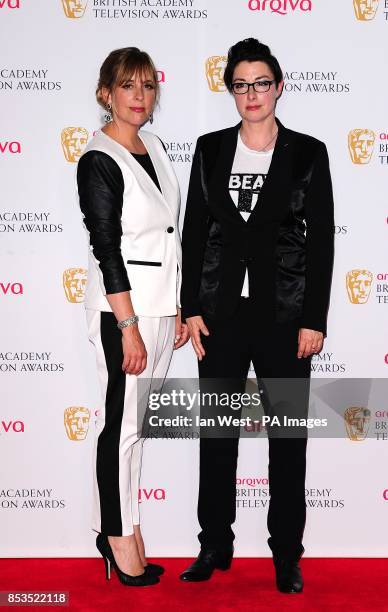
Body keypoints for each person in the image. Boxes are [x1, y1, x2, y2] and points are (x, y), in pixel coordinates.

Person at [179, 38, 334, 593]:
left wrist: (314, 318)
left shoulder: (308, 152)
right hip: (220, 315)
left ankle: (286, 553)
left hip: (285, 317)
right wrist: (190, 307)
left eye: (261, 82)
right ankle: (214, 544)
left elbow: (320, 245)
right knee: (216, 434)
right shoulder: (211, 149)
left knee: (288, 439)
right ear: (230, 90)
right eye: (241, 84)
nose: (252, 93)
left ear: (279, 86)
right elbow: (195, 231)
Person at [77, 47, 188, 587]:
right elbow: (107, 248)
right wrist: (129, 327)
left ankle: (130, 525)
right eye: (127, 86)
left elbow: (173, 238)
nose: (139, 96)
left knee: (136, 429)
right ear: (107, 94)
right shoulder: (99, 158)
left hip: (163, 311)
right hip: (126, 316)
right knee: (120, 430)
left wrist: (181, 309)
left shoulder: (157, 147)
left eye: (147, 86)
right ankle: (114, 536)